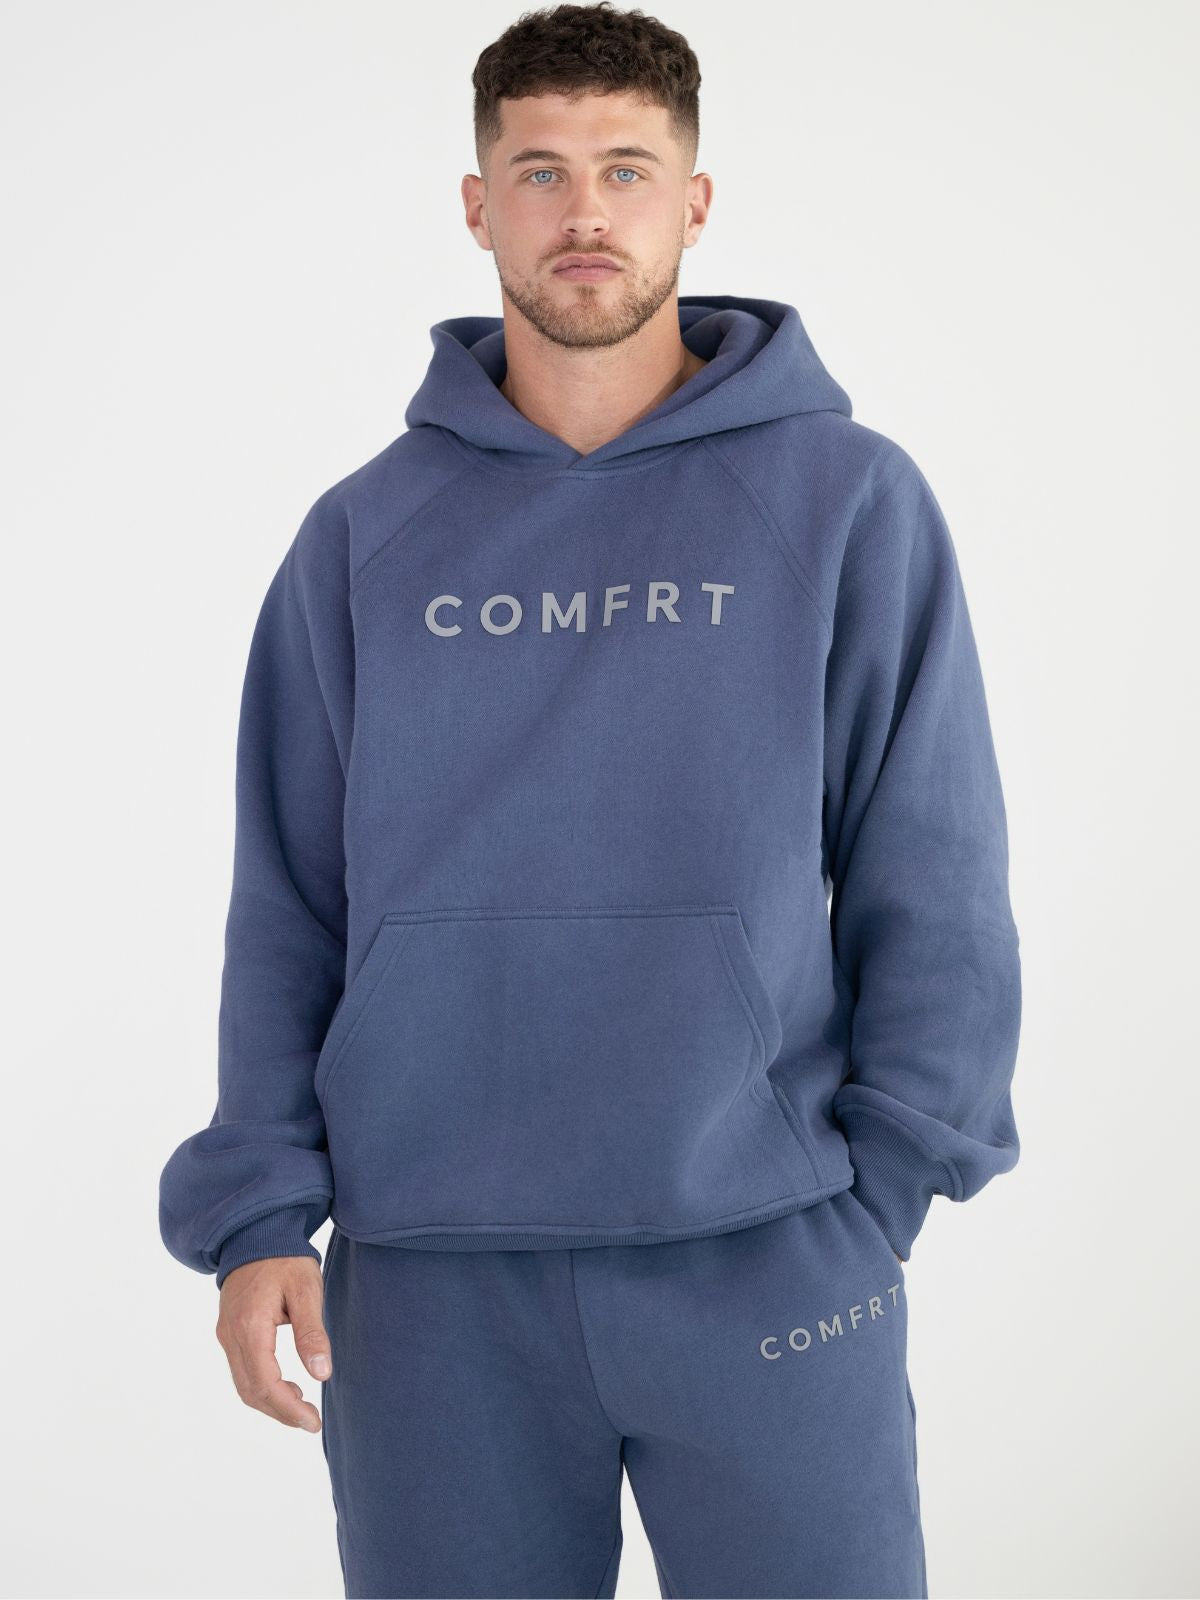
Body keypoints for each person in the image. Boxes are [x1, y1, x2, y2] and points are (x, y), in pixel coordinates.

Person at [158, 4, 1022, 1595]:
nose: (584, 212)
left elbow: (934, 867)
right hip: (430, 1286)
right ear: (476, 205)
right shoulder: (362, 536)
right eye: (539, 171)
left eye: (626, 169)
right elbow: (287, 901)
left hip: (768, 1250)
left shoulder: (845, 500)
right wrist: (261, 1211)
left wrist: (885, 1182)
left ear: (694, 201)